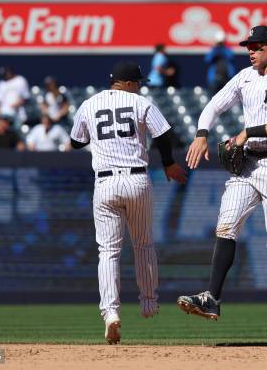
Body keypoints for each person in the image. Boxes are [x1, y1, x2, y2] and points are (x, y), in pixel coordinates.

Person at [177, 25, 267, 342]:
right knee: (226, 226)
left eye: (257, 46)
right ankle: (212, 297)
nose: (250, 50)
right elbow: (213, 106)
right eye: (248, 46)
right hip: (248, 165)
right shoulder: (245, 77)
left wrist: (249, 132)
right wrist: (201, 134)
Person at [69, 61, 187, 344]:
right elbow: (162, 135)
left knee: (108, 251)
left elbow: (75, 142)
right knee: (143, 243)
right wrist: (169, 163)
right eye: (139, 82)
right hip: (136, 180)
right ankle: (148, 302)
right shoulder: (140, 102)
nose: (141, 86)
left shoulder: (89, 104)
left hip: (106, 182)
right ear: (131, 83)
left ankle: (110, 313)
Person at [205, 31, 235, 96]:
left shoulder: (227, 50)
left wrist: (221, 48)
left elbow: (231, 56)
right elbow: (207, 59)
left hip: (227, 78)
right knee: (213, 97)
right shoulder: (213, 50)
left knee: (227, 97)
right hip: (214, 79)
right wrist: (216, 48)